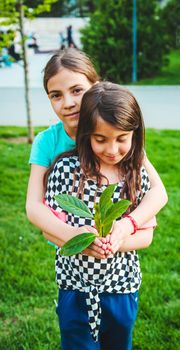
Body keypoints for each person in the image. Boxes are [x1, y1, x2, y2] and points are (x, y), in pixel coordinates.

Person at [44, 81, 167, 349]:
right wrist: (79, 240)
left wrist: (117, 242)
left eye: (122, 139)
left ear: (135, 134)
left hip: (121, 289)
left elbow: (146, 237)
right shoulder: (66, 171)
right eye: (100, 139)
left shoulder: (135, 174)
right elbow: (49, 228)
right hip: (75, 288)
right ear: (86, 134)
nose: (112, 150)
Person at [26, 47, 167, 258]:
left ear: (96, 86)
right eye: (56, 95)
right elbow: (34, 206)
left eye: (77, 90)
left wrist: (127, 226)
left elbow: (158, 192)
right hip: (72, 254)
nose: (68, 103)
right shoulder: (47, 141)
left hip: (116, 256)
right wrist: (74, 236)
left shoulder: (115, 135)